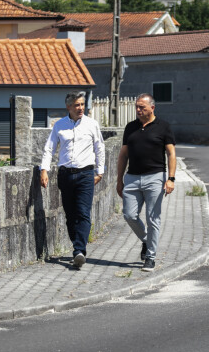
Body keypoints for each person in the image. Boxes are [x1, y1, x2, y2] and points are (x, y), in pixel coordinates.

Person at [40, 91, 105, 268]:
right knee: (70, 215)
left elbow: (100, 147)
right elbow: (49, 148)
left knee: (83, 212)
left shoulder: (92, 125)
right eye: (77, 105)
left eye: (83, 104)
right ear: (68, 106)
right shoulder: (59, 125)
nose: (80, 108)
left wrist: (100, 172)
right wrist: (44, 170)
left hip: (86, 174)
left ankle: (79, 251)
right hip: (66, 175)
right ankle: (77, 248)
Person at [116, 93, 176, 272]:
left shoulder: (163, 127)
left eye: (142, 107)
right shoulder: (130, 127)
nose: (138, 110)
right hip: (132, 178)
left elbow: (171, 154)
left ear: (152, 108)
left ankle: (150, 257)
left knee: (152, 218)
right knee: (129, 215)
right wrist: (119, 180)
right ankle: (146, 240)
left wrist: (171, 179)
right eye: (136, 107)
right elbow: (123, 155)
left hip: (155, 178)